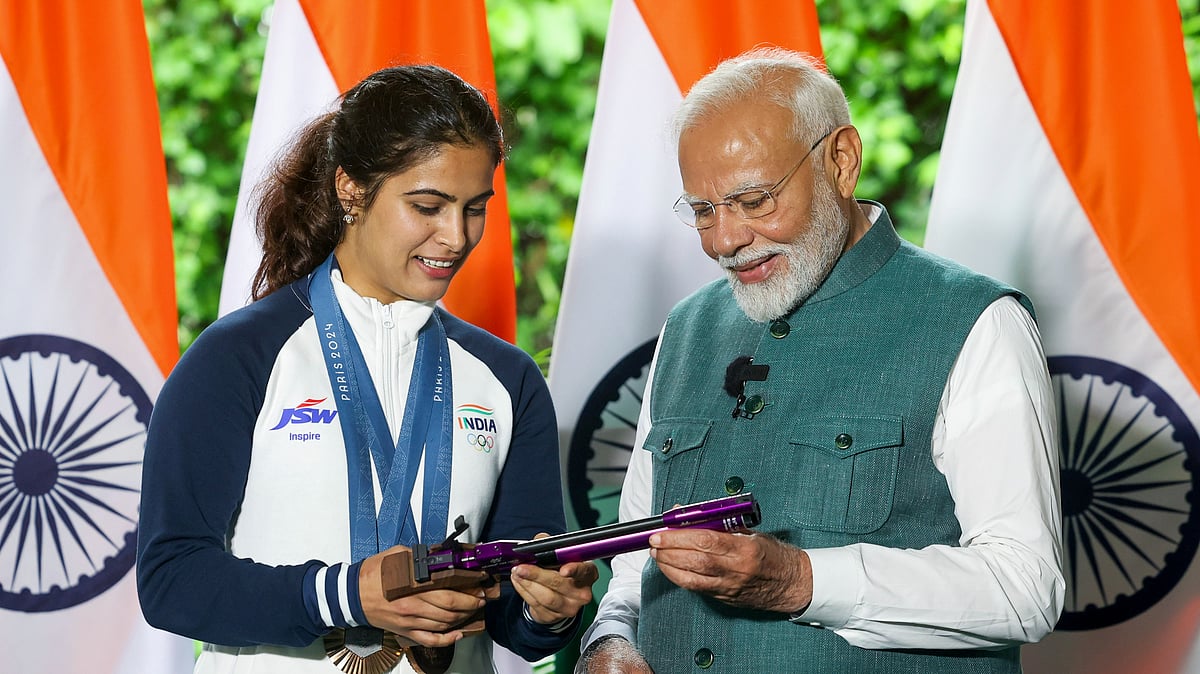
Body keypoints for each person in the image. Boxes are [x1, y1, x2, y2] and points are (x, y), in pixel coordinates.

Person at [577, 47, 1063, 673]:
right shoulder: (686, 327)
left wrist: (800, 581)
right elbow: (635, 558)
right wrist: (611, 639)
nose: (725, 240)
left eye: (754, 200)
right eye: (702, 211)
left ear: (841, 160)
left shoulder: (976, 321)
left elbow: (1026, 588)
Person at [137, 64, 597, 674]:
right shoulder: (238, 356)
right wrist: (347, 594)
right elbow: (172, 579)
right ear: (351, 190)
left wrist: (549, 610)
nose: (455, 237)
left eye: (474, 208)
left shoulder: (506, 378)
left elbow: (517, 616)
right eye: (427, 206)